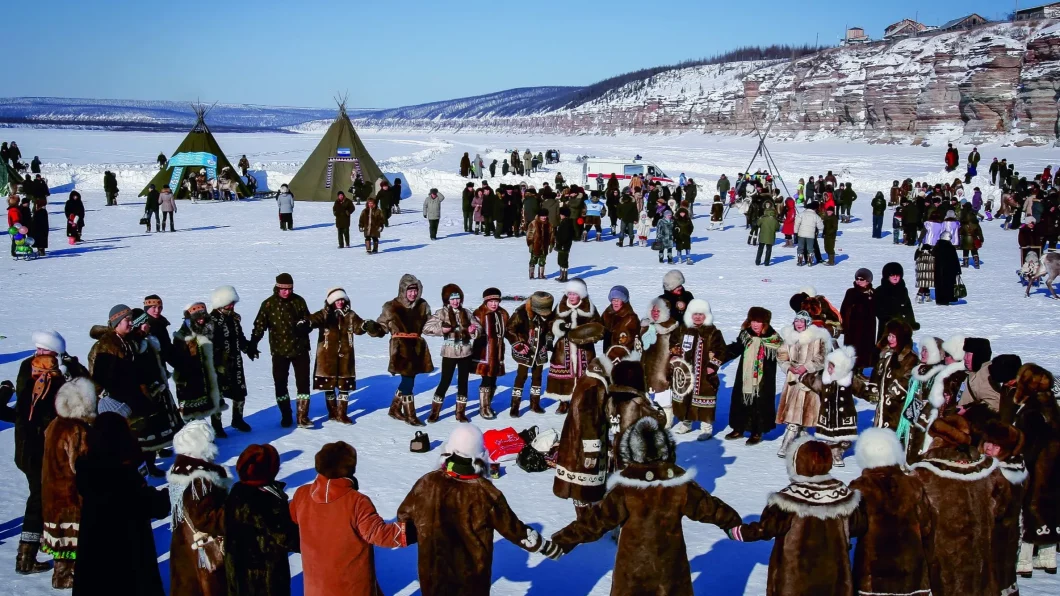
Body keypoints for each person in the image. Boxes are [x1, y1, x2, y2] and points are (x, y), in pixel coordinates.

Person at [552, 415, 740, 592]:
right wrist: (734, 525)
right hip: (670, 570)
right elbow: (709, 508)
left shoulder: (626, 487)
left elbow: (595, 522)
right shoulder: (679, 484)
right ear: (665, 448)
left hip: (632, 573)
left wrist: (562, 541)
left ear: (631, 451)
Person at [398, 424, 562, 595]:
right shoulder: (486, 493)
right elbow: (514, 529)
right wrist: (544, 546)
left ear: (448, 451)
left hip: (433, 575)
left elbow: (403, 515)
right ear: (479, 456)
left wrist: (424, 533)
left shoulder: (427, 482)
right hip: (472, 580)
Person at [726, 438, 863, 594]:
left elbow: (765, 529)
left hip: (795, 581)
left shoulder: (787, 500)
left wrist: (738, 531)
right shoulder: (844, 497)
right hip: (834, 579)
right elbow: (859, 526)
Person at [10, 332, 86, 576]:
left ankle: (35, 548)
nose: (42, 354)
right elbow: (35, 410)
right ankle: (26, 557)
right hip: (36, 449)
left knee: (43, 497)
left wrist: (70, 369)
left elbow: (86, 384)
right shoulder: (36, 371)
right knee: (40, 498)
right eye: (41, 349)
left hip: (42, 449)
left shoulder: (57, 369)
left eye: (48, 351)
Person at [291, 441, 409, 596]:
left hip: (315, 585)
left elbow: (293, 519)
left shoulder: (301, 494)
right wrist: (414, 530)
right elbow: (379, 534)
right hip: (351, 587)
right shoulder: (356, 501)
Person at [910, 415, 1011, 595]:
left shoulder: (923, 473)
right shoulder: (989, 468)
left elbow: (918, 519)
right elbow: (1002, 507)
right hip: (980, 561)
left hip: (942, 564)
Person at [73, 412, 171, 595]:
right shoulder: (124, 473)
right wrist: (172, 492)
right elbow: (153, 506)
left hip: (94, 548)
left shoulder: (85, 465)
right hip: (128, 556)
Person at [847, 428, 939, 595]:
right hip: (912, 572)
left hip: (874, 575)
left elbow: (853, 527)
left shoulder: (861, 487)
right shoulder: (913, 484)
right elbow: (927, 525)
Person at [41, 377, 97, 588]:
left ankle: (62, 574)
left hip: (52, 491)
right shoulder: (77, 431)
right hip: (71, 495)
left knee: (62, 537)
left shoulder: (54, 424)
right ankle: (66, 576)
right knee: (74, 536)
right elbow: (82, 466)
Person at [224, 444, 300, 596]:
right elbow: (285, 536)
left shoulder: (236, 490)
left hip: (238, 572)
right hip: (264, 579)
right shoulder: (266, 499)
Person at [168, 420, 229, 596]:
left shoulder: (179, 468)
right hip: (201, 555)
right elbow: (204, 519)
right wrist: (235, 513)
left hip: (183, 546)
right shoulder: (202, 478)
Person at [304, 287, 382, 426]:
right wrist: (306, 323)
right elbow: (313, 320)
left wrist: (366, 325)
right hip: (327, 357)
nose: (340, 302)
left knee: (344, 386)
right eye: (337, 300)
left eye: (342, 299)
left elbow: (359, 327)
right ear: (331, 301)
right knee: (329, 386)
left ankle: (342, 413)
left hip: (345, 357)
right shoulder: (324, 314)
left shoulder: (350, 315)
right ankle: (332, 412)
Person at [1011, 364, 1060, 577]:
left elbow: (1029, 443)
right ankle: (1048, 557)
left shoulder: (1030, 411)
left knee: (1028, 509)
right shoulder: (1052, 407)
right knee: (1050, 509)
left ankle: (1023, 560)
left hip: (1034, 468)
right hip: (1054, 468)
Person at [249, 273, 312, 428]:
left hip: (300, 349)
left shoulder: (299, 301)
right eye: (284, 289)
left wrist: (306, 326)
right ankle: (286, 415)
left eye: (289, 289)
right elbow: (259, 326)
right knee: (280, 384)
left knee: (303, 384)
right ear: (277, 288)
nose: (287, 292)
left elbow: (309, 320)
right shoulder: (268, 304)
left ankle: (302, 417)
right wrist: (253, 343)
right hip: (279, 352)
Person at [376, 273, 434, 426]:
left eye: (415, 290)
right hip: (400, 348)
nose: (413, 293)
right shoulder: (391, 307)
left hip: (416, 348)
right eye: (410, 290)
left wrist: (443, 326)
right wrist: (374, 328)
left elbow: (430, 325)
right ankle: (410, 415)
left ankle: (394, 409)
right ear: (403, 290)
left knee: (408, 379)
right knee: (408, 381)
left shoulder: (422, 306)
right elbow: (381, 326)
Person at [722, 307, 782, 445]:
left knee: (759, 404)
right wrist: (720, 355)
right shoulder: (746, 335)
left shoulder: (774, 339)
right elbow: (736, 348)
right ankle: (739, 428)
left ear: (765, 323)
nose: (755, 324)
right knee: (740, 401)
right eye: (753, 321)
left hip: (763, 378)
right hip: (745, 376)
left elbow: (784, 355)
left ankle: (757, 432)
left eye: (758, 322)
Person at [775, 311, 832, 457]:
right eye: (797, 321)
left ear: (807, 323)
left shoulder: (817, 338)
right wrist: (789, 366)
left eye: (802, 321)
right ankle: (793, 442)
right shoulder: (790, 337)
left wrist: (806, 367)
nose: (799, 324)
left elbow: (822, 357)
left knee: (804, 412)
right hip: (793, 379)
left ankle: (793, 442)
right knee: (794, 411)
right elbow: (781, 355)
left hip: (810, 379)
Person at [422, 283, 479, 423]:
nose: (455, 301)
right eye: (452, 299)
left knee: (463, 381)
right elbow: (426, 328)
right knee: (445, 381)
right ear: (447, 299)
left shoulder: (466, 312)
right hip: (449, 352)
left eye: (457, 298)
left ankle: (460, 413)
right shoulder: (442, 313)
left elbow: (478, 327)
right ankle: (434, 412)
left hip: (465, 351)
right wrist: (442, 329)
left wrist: (473, 331)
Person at [672, 299, 726, 441]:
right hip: (685, 372)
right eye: (695, 314)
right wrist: (675, 352)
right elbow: (673, 341)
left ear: (706, 316)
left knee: (705, 401)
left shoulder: (712, 332)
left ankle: (706, 428)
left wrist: (712, 366)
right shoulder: (683, 329)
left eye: (701, 314)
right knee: (685, 398)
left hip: (704, 374)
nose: (697, 317)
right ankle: (686, 423)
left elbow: (721, 351)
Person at [546, 278, 602, 414]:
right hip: (563, 348)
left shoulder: (589, 308)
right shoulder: (561, 307)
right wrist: (559, 327)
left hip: (584, 349)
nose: (571, 297)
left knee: (585, 375)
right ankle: (563, 402)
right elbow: (550, 323)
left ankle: (583, 401)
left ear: (581, 295)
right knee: (564, 376)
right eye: (569, 293)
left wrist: (588, 333)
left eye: (574, 294)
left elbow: (598, 326)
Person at [171, 302, 226, 434]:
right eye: (197, 317)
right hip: (190, 377)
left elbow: (218, 348)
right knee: (194, 408)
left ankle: (216, 428)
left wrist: (220, 365)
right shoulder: (182, 336)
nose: (201, 320)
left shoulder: (210, 329)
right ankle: (196, 434)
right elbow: (178, 359)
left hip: (209, 372)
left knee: (213, 400)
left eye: (203, 317)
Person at [208, 286, 253, 433]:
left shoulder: (234, 319)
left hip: (235, 361)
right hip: (218, 363)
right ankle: (217, 426)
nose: (232, 306)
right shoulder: (211, 320)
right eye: (229, 303)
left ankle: (237, 420)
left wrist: (248, 348)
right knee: (218, 394)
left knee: (239, 391)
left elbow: (239, 337)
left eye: (233, 303)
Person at [640, 297, 681, 427]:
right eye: (653, 310)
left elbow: (677, 346)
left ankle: (668, 417)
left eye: (658, 311)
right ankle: (651, 415)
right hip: (646, 363)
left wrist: (674, 359)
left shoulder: (671, 327)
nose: (655, 313)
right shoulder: (645, 326)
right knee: (647, 390)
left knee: (662, 389)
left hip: (662, 364)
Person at [472, 288, 509, 420]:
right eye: (491, 301)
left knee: (493, 379)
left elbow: (509, 331)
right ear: (486, 301)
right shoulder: (479, 313)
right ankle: (484, 407)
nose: (494, 304)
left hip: (498, 353)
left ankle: (488, 404)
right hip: (485, 352)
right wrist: (473, 332)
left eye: (496, 301)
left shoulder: (503, 313)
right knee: (486, 379)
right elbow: (473, 330)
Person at [840, 269, 876, 370]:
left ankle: (862, 370)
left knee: (866, 350)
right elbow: (844, 309)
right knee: (853, 351)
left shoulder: (873, 293)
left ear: (868, 280)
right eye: (857, 279)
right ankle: (852, 370)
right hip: (853, 328)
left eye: (861, 279)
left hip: (868, 327)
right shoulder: (851, 292)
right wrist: (844, 325)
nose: (858, 281)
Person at [873, 262, 918, 341]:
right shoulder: (880, 290)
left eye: (897, 275)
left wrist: (911, 322)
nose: (895, 277)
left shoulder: (903, 290)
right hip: (886, 326)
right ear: (887, 276)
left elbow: (908, 308)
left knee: (902, 344)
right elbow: (877, 308)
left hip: (902, 325)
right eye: (892, 275)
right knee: (885, 345)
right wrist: (887, 319)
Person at [933, 231, 962, 306]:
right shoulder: (950, 247)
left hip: (938, 270)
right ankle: (948, 299)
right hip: (949, 270)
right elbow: (955, 260)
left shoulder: (937, 247)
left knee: (939, 285)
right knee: (948, 285)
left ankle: (940, 300)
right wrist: (958, 270)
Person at [794, 202, 823, 266]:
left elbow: (796, 224)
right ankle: (810, 261)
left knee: (800, 248)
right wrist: (820, 231)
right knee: (810, 248)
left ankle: (800, 261)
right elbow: (820, 226)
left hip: (801, 234)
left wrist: (795, 232)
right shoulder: (816, 216)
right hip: (811, 235)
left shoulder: (801, 214)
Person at [526, 208, 552, 280]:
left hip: (545, 246)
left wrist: (551, 243)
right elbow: (529, 234)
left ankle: (541, 274)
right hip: (535, 245)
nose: (544, 217)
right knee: (533, 260)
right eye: (542, 216)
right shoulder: (534, 223)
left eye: (545, 216)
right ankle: (531, 275)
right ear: (539, 216)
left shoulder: (549, 224)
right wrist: (530, 244)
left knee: (542, 260)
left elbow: (551, 234)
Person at [554, 206, 575, 282]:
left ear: (564, 215)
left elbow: (565, 235)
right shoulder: (564, 222)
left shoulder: (566, 223)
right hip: (562, 245)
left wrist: (561, 243)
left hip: (564, 245)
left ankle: (564, 277)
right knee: (560, 260)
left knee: (563, 261)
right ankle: (561, 276)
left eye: (561, 214)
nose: (560, 215)